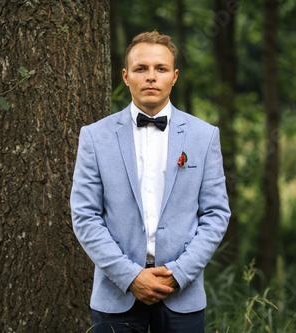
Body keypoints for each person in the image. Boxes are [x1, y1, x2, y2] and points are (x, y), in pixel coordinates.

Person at [70, 31, 231, 333]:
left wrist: (179, 273)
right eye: (141, 69)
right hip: (116, 296)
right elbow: (85, 215)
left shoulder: (204, 135)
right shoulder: (94, 136)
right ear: (126, 76)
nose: (151, 77)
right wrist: (130, 276)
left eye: (161, 68)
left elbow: (216, 214)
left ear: (174, 76)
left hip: (182, 294)